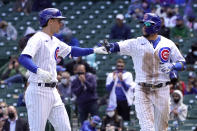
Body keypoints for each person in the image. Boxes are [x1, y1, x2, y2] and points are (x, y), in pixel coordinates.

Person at [18, 8, 107, 131]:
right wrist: (38, 71)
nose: (61, 24)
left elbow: (72, 50)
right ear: (50, 21)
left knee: (65, 128)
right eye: (59, 21)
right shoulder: (37, 38)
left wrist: (94, 50)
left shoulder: (54, 40)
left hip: (53, 91)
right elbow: (23, 58)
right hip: (38, 91)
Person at [102, 13, 186, 131]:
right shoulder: (136, 42)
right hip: (142, 90)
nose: (144, 26)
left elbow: (183, 63)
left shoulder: (168, 43)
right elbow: (117, 46)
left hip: (162, 89)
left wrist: (172, 65)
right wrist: (108, 47)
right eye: (143, 24)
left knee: (162, 128)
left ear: (156, 26)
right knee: (147, 128)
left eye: (147, 24)